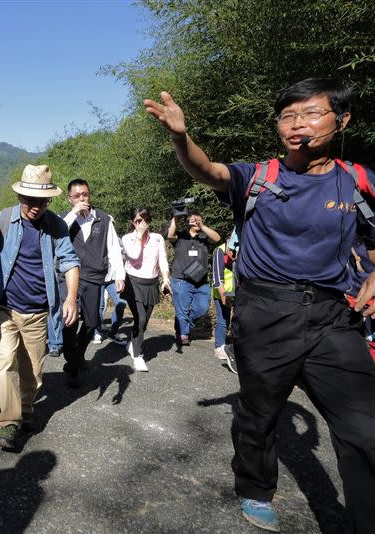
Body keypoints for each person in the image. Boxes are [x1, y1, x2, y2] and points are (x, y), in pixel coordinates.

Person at [144, 78, 375, 533]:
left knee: (366, 429)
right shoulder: (260, 177)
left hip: (334, 316)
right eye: (288, 116)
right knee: (259, 412)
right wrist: (179, 136)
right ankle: (254, 487)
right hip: (265, 312)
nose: (297, 124)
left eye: (311, 114)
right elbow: (207, 170)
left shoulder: (359, 181)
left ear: (342, 120)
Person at [0, 164, 80, 450]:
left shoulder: (56, 226)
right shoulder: (1, 221)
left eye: (42, 201)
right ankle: (9, 422)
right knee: (5, 363)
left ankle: (25, 410)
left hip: (38, 311)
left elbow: (70, 262)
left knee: (32, 372)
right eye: (30, 200)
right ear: (20, 197)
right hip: (4, 308)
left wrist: (70, 297)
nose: (35, 207)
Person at [60, 178, 125, 387]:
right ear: (70, 199)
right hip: (69, 276)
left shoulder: (104, 219)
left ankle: (76, 358)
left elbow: (114, 247)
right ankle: (75, 365)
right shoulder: (63, 219)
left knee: (91, 322)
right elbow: (57, 235)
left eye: (85, 194)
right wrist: (73, 214)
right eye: (77, 196)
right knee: (68, 321)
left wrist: (119, 274)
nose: (82, 199)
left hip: (95, 276)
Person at [120, 207, 171, 372]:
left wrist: (166, 279)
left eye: (144, 220)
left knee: (144, 321)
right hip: (133, 281)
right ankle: (137, 355)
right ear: (132, 222)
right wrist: (139, 235)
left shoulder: (157, 238)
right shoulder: (127, 238)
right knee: (140, 318)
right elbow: (134, 255)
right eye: (137, 221)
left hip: (151, 282)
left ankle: (134, 342)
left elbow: (162, 258)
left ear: (149, 220)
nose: (141, 224)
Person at [166, 211, 220, 346]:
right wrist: (176, 217)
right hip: (181, 279)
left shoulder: (204, 237)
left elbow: (217, 238)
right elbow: (170, 235)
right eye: (193, 219)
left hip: (200, 281)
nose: (196, 221)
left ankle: (182, 324)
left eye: (199, 219)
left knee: (202, 307)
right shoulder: (181, 236)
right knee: (182, 309)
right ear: (188, 221)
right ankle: (183, 334)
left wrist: (202, 226)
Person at [211, 229, 239, 374]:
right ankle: (219, 346)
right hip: (222, 291)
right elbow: (217, 278)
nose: (233, 253)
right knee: (223, 319)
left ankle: (236, 348)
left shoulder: (242, 250)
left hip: (237, 291)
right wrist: (224, 296)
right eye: (231, 249)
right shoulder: (219, 251)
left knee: (238, 320)